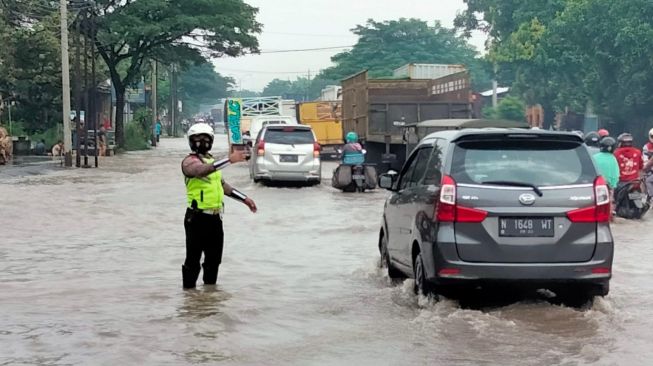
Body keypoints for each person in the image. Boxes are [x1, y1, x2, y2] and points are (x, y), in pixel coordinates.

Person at [181, 123, 257, 289]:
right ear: (191, 141)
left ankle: (209, 298)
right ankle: (189, 297)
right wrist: (229, 159)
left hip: (215, 218)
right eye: (198, 139)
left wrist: (245, 199)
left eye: (206, 139)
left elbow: (223, 186)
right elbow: (201, 170)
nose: (202, 142)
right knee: (193, 260)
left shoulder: (213, 162)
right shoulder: (188, 162)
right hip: (196, 218)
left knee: (214, 260)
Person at [642, 128, 653, 201]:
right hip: (650, 169)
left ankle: (652, 196)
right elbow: (645, 159)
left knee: (648, 181)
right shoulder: (647, 146)